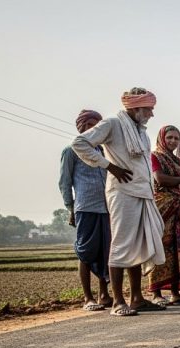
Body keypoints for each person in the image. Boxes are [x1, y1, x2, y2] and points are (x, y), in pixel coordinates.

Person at [71, 87, 166, 316]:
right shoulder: (112, 123)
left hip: (143, 192)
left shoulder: (141, 132)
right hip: (122, 192)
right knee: (122, 244)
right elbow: (79, 143)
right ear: (136, 107)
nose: (151, 114)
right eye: (148, 109)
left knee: (138, 245)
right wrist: (109, 166)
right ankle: (118, 302)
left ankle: (137, 298)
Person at [59, 109, 111, 311]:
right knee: (86, 252)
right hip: (85, 207)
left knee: (106, 252)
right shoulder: (71, 150)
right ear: (81, 128)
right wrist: (70, 208)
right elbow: (65, 182)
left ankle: (104, 294)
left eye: (96, 127)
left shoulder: (103, 152)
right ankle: (88, 298)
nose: (92, 130)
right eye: (89, 126)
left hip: (106, 207)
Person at [147, 125, 180, 305]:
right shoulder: (154, 156)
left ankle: (175, 292)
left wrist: (175, 182)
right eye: (169, 137)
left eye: (176, 138)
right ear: (161, 138)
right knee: (161, 247)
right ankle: (156, 293)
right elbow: (160, 179)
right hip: (162, 208)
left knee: (179, 248)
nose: (172, 141)